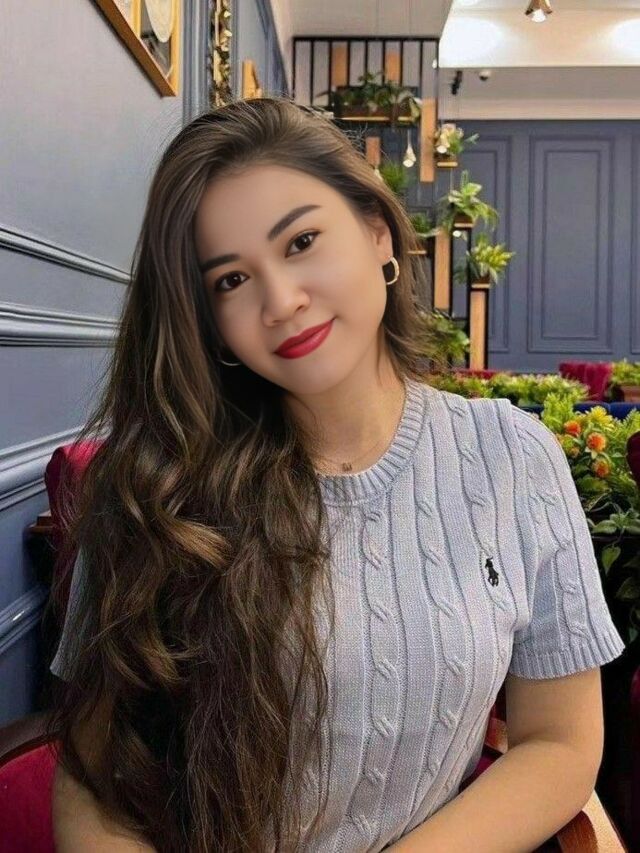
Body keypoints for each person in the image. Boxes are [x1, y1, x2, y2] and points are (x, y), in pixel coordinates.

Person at [45, 96, 625, 853]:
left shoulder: (515, 459)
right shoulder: (153, 484)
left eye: (302, 241)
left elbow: (559, 741)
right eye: (230, 280)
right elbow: (95, 776)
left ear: (377, 232)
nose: (282, 302)